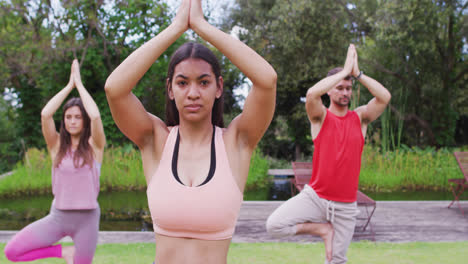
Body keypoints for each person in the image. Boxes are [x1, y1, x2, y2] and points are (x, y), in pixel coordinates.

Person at [104, 0, 276, 263]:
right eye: (182, 82)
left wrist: (203, 27)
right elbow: (114, 89)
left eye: (203, 82)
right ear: (170, 89)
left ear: (218, 87)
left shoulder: (237, 141)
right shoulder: (155, 139)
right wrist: (175, 28)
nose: (193, 93)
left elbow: (267, 80)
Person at [266, 44, 391, 264]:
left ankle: (329, 234)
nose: (345, 92)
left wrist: (357, 73)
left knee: (336, 261)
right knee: (274, 225)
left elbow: (384, 97)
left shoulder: (359, 118)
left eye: (348, 88)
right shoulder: (320, 117)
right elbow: (312, 93)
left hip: (345, 207)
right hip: (315, 198)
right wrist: (344, 71)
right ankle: (323, 230)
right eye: (340, 87)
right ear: (331, 90)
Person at [4, 59, 106, 264]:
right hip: (58, 217)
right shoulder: (56, 146)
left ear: (83, 120)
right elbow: (45, 114)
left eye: (78, 117)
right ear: (64, 121)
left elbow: (95, 116)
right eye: (68, 117)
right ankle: (63, 253)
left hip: (87, 220)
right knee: (12, 252)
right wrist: (69, 86)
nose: (73, 121)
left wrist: (80, 85)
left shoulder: (95, 146)